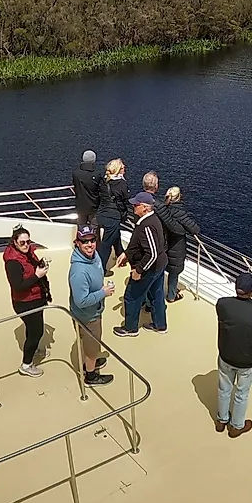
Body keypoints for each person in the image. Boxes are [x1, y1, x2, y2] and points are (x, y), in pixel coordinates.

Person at [214, 272, 252, 438]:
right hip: (246, 361)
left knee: (224, 389)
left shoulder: (222, 304)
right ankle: (236, 426)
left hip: (226, 355)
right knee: (241, 394)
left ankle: (221, 420)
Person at [112, 192, 168, 337]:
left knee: (131, 296)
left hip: (149, 268)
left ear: (145, 208)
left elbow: (152, 253)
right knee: (156, 295)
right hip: (159, 265)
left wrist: (139, 270)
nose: (133, 207)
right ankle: (160, 325)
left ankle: (130, 328)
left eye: (136, 205)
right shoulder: (153, 220)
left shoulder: (146, 225)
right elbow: (141, 245)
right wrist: (127, 254)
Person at [68, 225, 114, 386]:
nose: (90, 244)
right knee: (91, 347)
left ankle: (91, 362)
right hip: (88, 317)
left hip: (94, 311)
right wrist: (103, 293)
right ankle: (91, 376)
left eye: (92, 240)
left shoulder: (94, 256)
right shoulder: (79, 272)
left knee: (92, 344)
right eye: (85, 241)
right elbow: (81, 301)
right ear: (77, 243)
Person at [3, 225, 52, 378]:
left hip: (36, 298)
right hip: (25, 302)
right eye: (22, 242)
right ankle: (26, 364)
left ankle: (34, 348)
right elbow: (17, 286)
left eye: (28, 242)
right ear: (14, 243)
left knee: (33, 328)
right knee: (36, 332)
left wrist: (40, 265)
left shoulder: (28, 253)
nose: (26, 245)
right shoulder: (13, 262)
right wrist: (37, 275)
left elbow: (30, 268)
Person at [154, 186, 200, 303]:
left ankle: (154, 296)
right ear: (179, 197)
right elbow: (195, 229)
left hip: (163, 243)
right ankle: (171, 295)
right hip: (176, 246)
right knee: (174, 273)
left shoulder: (162, 209)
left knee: (159, 270)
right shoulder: (179, 211)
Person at [95, 159, 130, 274]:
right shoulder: (122, 184)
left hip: (101, 214)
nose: (125, 169)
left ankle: (121, 254)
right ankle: (101, 269)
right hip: (113, 216)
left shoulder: (104, 181)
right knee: (106, 244)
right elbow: (125, 200)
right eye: (123, 167)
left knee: (115, 235)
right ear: (119, 170)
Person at [72, 150, 102, 228]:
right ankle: (94, 240)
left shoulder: (76, 174)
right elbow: (100, 189)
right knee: (94, 227)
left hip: (80, 206)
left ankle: (81, 239)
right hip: (94, 206)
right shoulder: (97, 174)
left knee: (81, 227)